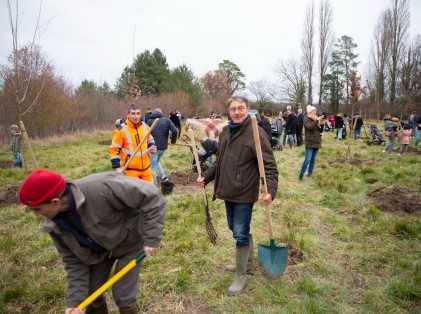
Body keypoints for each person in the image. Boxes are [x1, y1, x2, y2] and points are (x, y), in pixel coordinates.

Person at [18, 168, 166, 314]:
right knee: (90, 297)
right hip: (99, 253)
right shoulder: (54, 225)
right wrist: (76, 303)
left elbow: (151, 196)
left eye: (37, 209)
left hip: (130, 244)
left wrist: (152, 238)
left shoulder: (100, 187)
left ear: (56, 201)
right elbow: (73, 261)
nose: (37, 215)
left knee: (124, 297)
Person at [197, 96, 278, 296]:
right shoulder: (225, 133)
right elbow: (219, 161)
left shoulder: (256, 133)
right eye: (233, 109)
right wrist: (206, 177)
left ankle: (241, 275)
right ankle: (247, 263)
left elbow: (269, 167)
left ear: (248, 109)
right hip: (227, 190)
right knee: (235, 228)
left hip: (244, 191)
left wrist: (270, 191)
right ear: (229, 111)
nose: (236, 112)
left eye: (240, 108)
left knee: (240, 232)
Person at [110, 104, 157, 183]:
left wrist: (152, 146)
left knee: (150, 193)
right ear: (127, 115)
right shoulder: (121, 130)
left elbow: (150, 139)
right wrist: (116, 168)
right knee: (133, 195)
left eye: (138, 113)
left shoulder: (145, 126)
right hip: (130, 171)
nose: (136, 116)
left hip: (146, 170)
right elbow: (114, 149)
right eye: (133, 113)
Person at [146, 108, 178, 187]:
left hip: (153, 148)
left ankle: (154, 187)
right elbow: (174, 130)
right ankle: (164, 177)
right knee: (156, 161)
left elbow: (145, 133)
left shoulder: (149, 121)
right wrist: (173, 141)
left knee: (152, 168)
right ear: (161, 113)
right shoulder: (167, 120)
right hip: (163, 147)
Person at [299, 105, 324, 180]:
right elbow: (310, 127)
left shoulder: (316, 118)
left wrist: (322, 124)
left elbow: (320, 131)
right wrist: (316, 121)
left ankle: (310, 173)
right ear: (309, 112)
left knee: (313, 159)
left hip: (317, 142)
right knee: (307, 160)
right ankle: (301, 175)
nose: (314, 112)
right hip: (310, 142)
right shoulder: (306, 118)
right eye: (313, 111)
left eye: (315, 111)